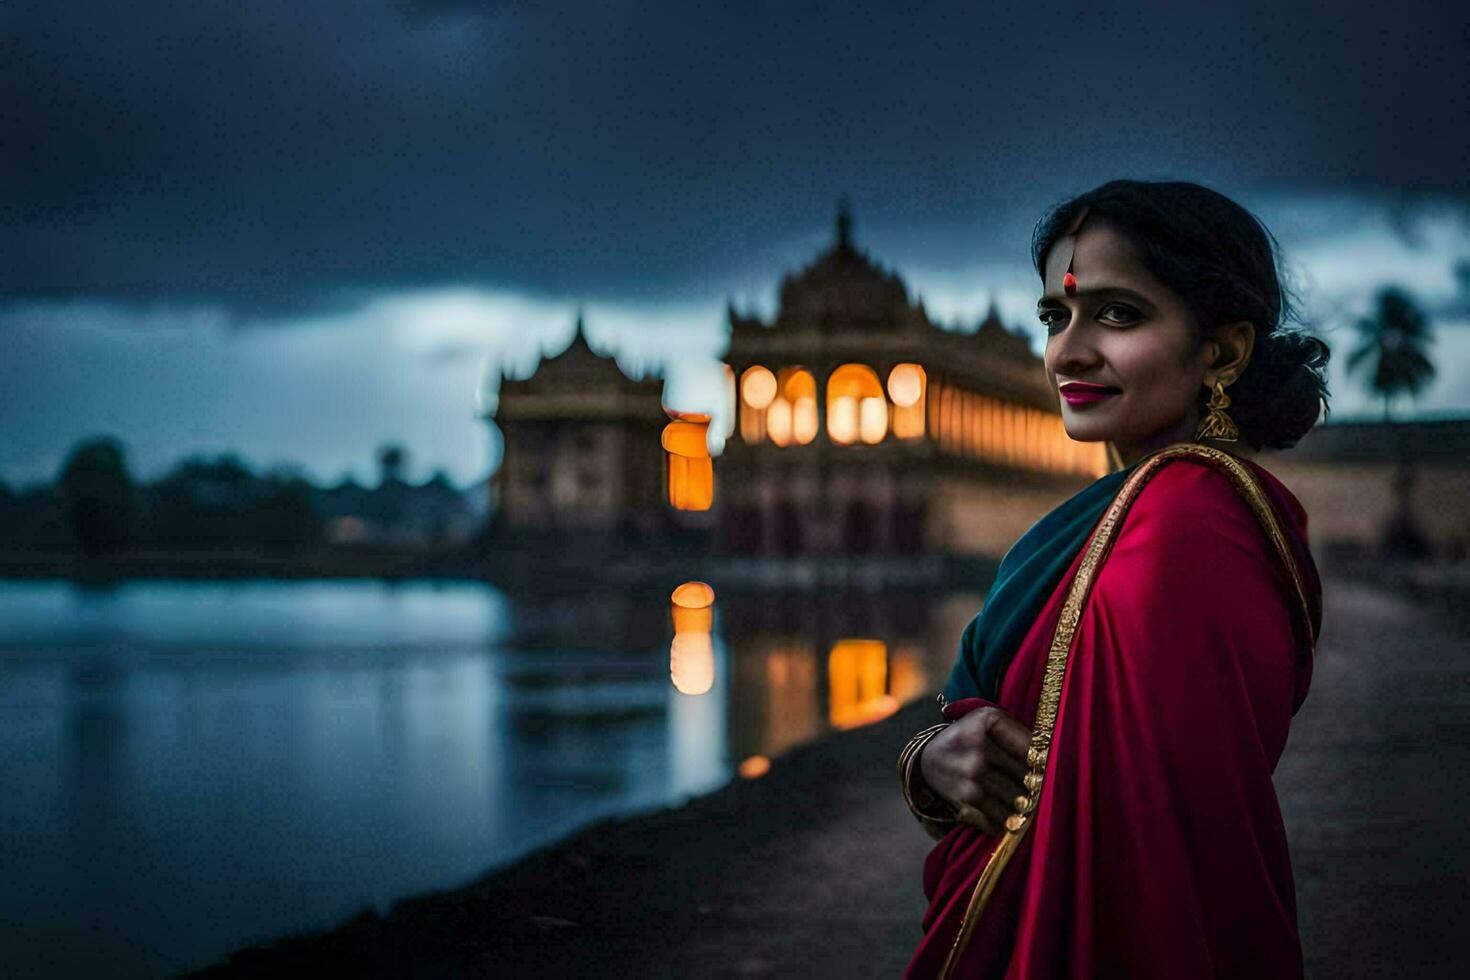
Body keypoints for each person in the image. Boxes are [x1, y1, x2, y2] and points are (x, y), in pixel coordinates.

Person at [898, 179, 1331, 978]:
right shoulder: (1128, 516)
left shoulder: (1185, 526)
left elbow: (1154, 841)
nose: (1069, 352)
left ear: (1223, 351)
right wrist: (932, 762)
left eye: (1118, 314)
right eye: (1055, 316)